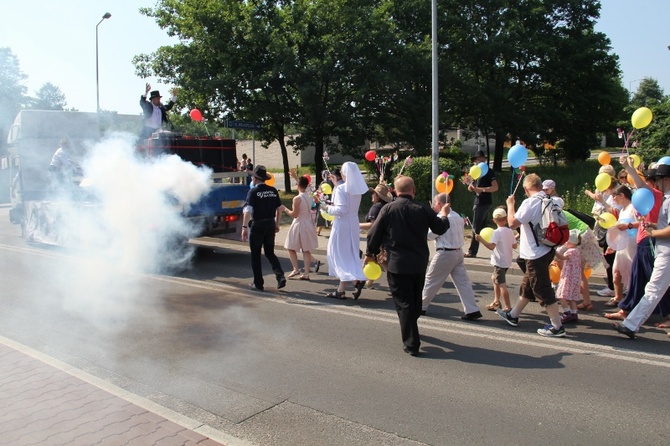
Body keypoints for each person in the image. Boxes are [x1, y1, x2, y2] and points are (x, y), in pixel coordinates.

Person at [366, 176, 450, 355]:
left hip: (397, 263)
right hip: (418, 263)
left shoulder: (388, 209)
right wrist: (444, 215)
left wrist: (371, 253)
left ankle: (411, 343)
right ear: (414, 190)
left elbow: (373, 233)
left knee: (404, 304)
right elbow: (440, 229)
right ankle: (412, 325)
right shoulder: (423, 208)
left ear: (395, 192)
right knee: (414, 300)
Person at [497, 173, 567, 337]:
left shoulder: (530, 203)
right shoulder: (550, 199)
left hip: (535, 253)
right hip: (548, 248)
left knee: (541, 289)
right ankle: (513, 315)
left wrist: (511, 205)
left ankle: (557, 326)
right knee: (528, 285)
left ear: (526, 188)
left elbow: (513, 223)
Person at [607, 159, 670, 322]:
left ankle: (665, 313)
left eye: (655, 179)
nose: (653, 182)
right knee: (638, 277)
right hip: (645, 239)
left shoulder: (658, 195)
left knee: (654, 281)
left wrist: (629, 168)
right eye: (653, 179)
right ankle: (627, 310)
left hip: (650, 241)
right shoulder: (659, 196)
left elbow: (640, 185)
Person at [421, 193, 481, 320]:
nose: (434, 206)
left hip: (445, 252)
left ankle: (421, 306)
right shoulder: (458, 216)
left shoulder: (441, 217)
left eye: (435, 203)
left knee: (431, 280)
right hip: (458, 252)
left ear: (440, 204)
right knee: (463, 282)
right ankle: (472, 309)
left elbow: (431, 235)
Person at [324, 162, 369, 300]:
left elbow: (340, 210)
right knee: (349, 254)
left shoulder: (341, 189)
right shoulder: (356, 189)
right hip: (353, 223)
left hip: (342, 224)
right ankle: (342, 288)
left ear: (344, 173)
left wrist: (325, 208)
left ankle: (355, 281)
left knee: (337, 254)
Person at [241, 165, 286, 291]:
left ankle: (258, 283)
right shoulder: (273, 190)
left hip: (258, 225)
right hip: (270, 224)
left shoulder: (253, 192)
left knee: (255, 255)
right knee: (270, 252)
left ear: (255, 179)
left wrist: (244, 227)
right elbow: (279, 209)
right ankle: (280, 275)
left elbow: (248, 210)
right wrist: (277, 223)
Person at [476, 207, 517, 312]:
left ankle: (508, 307)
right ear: (506, 219)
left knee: (502, 284)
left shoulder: (496, 232)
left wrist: (481, 239)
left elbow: (491, 247)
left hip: (499, 262)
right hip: (507, 261)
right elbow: (515, 246)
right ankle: (496, 301)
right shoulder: (509, 231)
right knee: (494, 278)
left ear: (494, 220)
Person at [283, 176, 318, 280]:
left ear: (297, 185)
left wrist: (285, 209)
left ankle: (296, 268)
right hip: (309, 222)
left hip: (299, 223)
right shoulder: (310, 194)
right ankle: (306, 273)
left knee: (290, 246)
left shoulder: (297, 198)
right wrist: (295, 176)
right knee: (306, 250)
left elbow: (294, 214)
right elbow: (315, 200)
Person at [465, 150, 498, 257]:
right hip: (479, 201)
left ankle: (472, 251)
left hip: (483, 202)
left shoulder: (488, 171)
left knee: (476, 227)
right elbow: (472, 187)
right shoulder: (476, 172)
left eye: (478, 159)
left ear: (483, 160)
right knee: (483, 227)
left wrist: (481, 190)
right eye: (476, 160)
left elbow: (495, 187)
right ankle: (497, 246)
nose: (476, 162)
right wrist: (471, 187)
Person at [360, 184, 393, 288]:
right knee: (376, 262)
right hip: (387, 238)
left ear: (377, 196)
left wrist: (356, 225)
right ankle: (368, 283)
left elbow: (373, 225)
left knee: (377, 262)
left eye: (373, 193)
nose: (372, 196)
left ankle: (359, 281)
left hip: (377, 240)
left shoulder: (376, 207)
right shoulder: (387, 206)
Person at [553, 229, 582, 323]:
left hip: (568, 277)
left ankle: (567, 313)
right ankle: (574, 313)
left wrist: (554, 252)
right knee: (572, 297)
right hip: (575, 277)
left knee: (561, 295)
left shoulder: (570, 251)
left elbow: (562, 257)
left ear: (570, 241)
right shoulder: (577, 251)